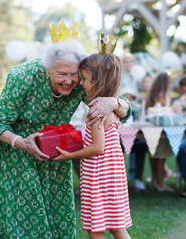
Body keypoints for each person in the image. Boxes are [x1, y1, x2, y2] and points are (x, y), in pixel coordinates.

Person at [0, 22, 132, 239]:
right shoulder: (23, 77)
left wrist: (113, 102)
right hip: (18, 152)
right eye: (62, 74)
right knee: (26, 215)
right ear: (47, 70)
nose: (70, 81)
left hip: (56, 153)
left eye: (75, 75)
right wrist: (20, 142)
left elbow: (123, 108)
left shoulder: (80, 81)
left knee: (58, 212)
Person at [54, 52, 132, 239]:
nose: (81, 83)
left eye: (86, 79)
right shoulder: (112, 108)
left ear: (98, 81)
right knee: (116, 226)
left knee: (95, 228)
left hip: (98, 176)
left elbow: (98, 148)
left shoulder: (97, 110)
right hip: (111, 175)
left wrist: (69, 155)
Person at [145, 73, 174, 192]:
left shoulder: (151, 95)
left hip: (150, 129)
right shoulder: (164, 96)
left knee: (154, 156)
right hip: (161, 130)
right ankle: (160, 184)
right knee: (161, 157)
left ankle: (157, 181)